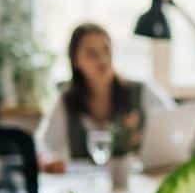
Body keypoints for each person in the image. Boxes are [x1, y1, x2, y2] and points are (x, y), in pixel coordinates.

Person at [35, 23, 176, 173]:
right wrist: (47, 160)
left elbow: (174, 125)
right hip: (85, 184)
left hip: (137, 183)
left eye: (106, 50)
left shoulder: (142, 91)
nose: (102, 59)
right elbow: (44, 146)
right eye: (92, 53)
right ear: (75, 60)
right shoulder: (66, 100)